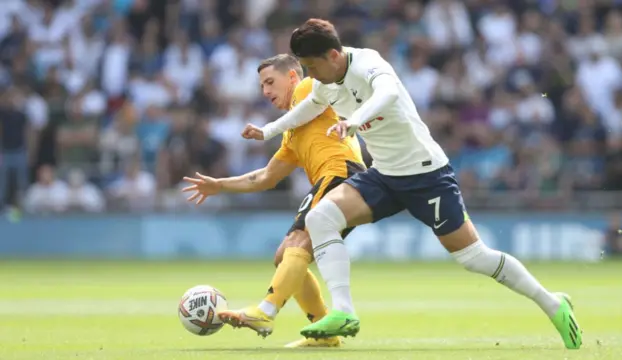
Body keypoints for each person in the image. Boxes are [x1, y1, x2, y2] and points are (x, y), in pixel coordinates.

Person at [241, 19, 583, 349]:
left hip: (426, 175)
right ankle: (344, 311)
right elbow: (307, 109)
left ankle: (552, 304)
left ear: (333, 56)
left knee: (474, 257)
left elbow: (387, 92)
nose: (309, 76)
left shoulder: (368, 63)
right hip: (385, 175)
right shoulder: (321, 83)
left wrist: (355, 121)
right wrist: (268, 131)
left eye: (312, 67)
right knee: (320, 218)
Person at [181, 54, 365, 348]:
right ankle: (326, 333)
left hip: (340, 173)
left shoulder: (308, 87)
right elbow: (266, 177)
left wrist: (267, 129)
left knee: (296, 243)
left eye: (270, 82)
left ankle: (266, 311)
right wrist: (220, 185)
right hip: (333, 178)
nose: (265, 91)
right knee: (285, 256)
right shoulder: (293, 133)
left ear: (292, 77)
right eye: (262, 86)